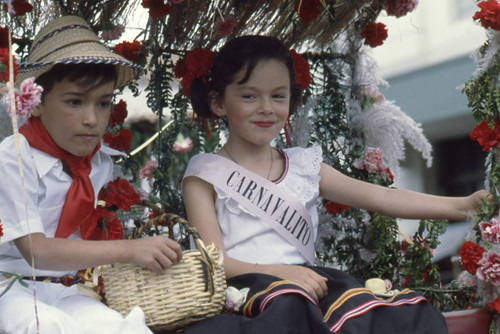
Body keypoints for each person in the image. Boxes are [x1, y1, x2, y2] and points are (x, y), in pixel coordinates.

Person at [181, 35, 490, 333]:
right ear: (218, 103)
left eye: (278, 95)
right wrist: (280, 274)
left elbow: (380, 197)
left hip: (309, 288)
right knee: (288, 306)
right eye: (249, 96)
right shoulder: (204, 175)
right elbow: (213, 260)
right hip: (248, 295)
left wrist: (461, 205)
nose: (266, 107)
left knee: (395, 318)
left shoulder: (304, 165)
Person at [0, 16, 182, 334]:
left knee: (123, 327)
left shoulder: (99, 163)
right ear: (36, 103)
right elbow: (36, 250)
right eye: (75, 102)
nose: (91, 119)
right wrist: (129, 251)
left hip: (65, 287)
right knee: (44, 326)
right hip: (9, 286)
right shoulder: (14, 157)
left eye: (103, 103)